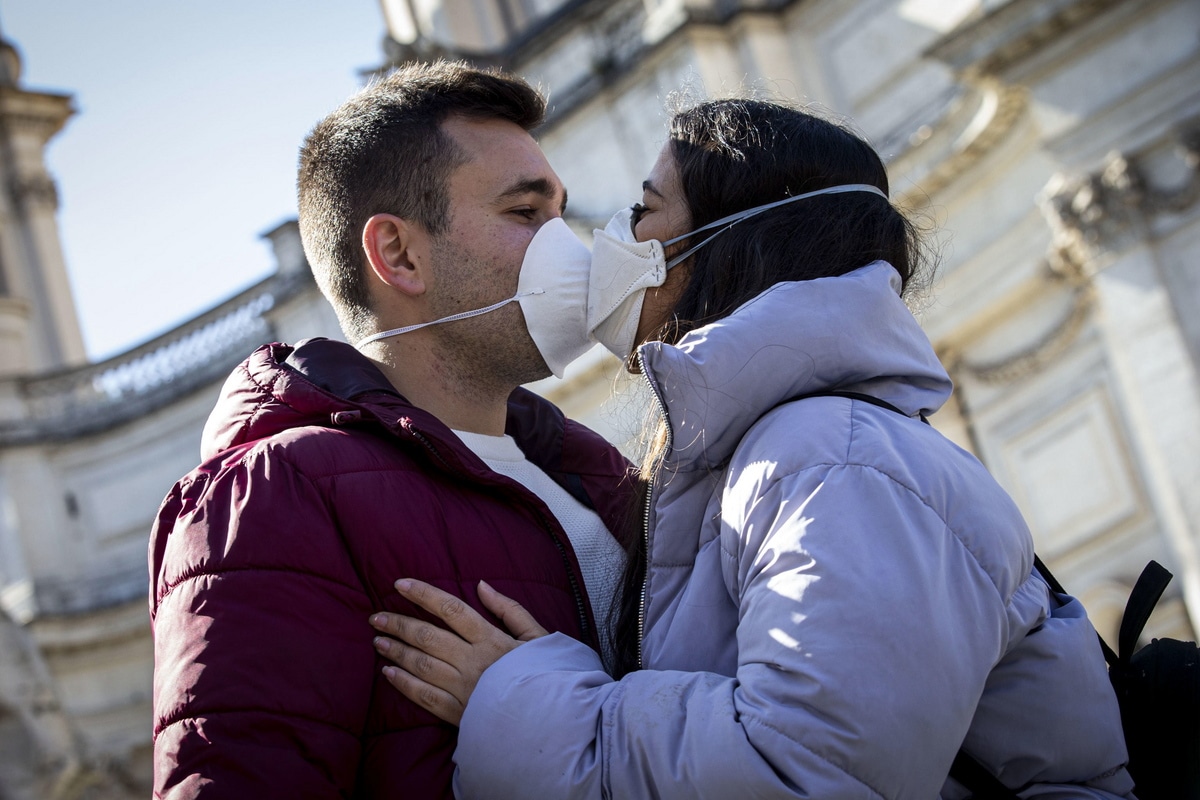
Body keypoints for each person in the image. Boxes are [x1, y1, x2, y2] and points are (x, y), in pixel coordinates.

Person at [368, 99, 1136, 798]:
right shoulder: (792, 451)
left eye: (643, 211)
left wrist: (522, 698)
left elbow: (805, 774)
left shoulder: (835, 461)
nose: (611, 241)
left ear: (721, 245)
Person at [147, 61, 633, 799]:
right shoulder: (271, 498)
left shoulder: (599, 473)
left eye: (562, 212)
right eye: (527, 214)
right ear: (398, 254)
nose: (569, 247)